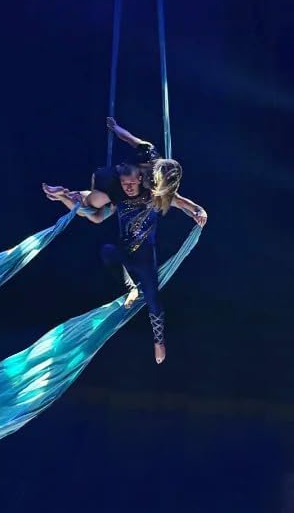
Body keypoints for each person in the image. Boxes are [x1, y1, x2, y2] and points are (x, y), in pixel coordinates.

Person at [43, 117, 206, 365]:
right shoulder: (133, 175)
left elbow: (182, 202)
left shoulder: (156, 191)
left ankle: (159, 340)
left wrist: (198, 211)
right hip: (119, 212)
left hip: (143, 249)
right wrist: (68, 196)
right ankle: (130, 287)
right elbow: (130, 143)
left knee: (152, 296)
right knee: (101, 230)